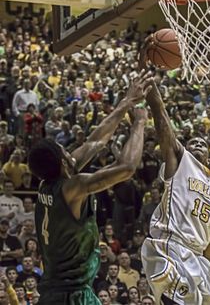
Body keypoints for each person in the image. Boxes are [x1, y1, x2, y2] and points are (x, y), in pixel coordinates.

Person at [27, 71, 150, 305]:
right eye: (64, 149)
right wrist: (140, 123)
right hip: (72, 295)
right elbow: (126, 167)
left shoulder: (47, 182)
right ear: (64, 162)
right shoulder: (73, 188)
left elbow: (95, 142)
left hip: (53, 293)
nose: (68, 150)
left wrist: (127, 101)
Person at [140, 78, 210, 304]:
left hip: (198, 256)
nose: (196, 145)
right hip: (172, 247)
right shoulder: (180, 163)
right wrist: (156, 101)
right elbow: (166, 135)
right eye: (192, 142)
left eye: (201, 144)